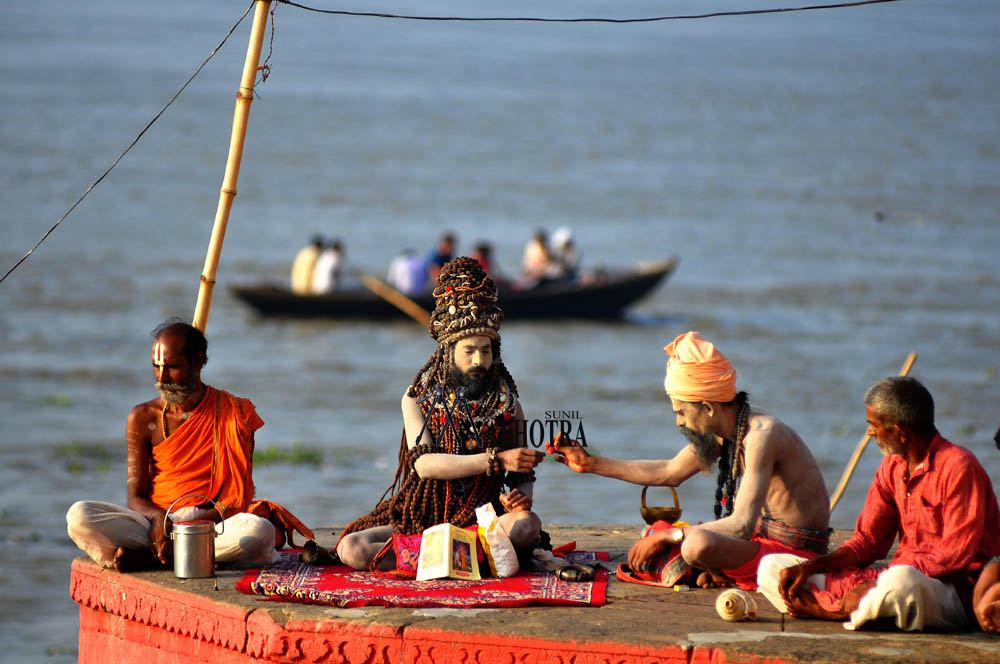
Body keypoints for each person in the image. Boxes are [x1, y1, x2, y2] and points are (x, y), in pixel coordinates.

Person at [552, 331, 830, 590]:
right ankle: (718, 569)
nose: (679, 422)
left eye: (682, 412)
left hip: (793, 555)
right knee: (655, 532)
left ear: (707, 408)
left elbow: (742, 524)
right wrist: (590, 464)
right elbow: (669, 471)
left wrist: (670, 536)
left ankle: (716, 568)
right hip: (759, 542)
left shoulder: (761, 436)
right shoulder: (731, 427)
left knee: (692, 544)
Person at [337, 257, 545, 573]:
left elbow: (522, 476)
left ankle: (441, 559)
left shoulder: (508, 405)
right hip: (421, 517)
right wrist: (496, 460)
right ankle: (467, 558)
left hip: (480, 520)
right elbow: (424, 465)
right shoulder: (417, 398)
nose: (479, 359)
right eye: (469, 351)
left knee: (527, 525)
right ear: (449, 352)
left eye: (486, 350)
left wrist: (520, 498)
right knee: (351, 549)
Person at [757, 377, 1000, 631]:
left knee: (901, 581)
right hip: (889, 580)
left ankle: (835, 611)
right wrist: (809, 567)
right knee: (773, 568)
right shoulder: (891, 467)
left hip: (952, 592)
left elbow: (953, 558)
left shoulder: (959, 467)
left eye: (873, 425)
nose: (870, 432)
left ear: (899, 432)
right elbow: (867, 543)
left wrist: (878, 582)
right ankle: (853, 608)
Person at [66, 320, 291, 572]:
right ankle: (189, 557)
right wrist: (159, 520)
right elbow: (135, 498)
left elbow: (236, 498)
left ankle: (156, 560)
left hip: (211, 525)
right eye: (156, 367)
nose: (161, 378)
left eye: (171, 368)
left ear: (198, 362)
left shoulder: (235, 413)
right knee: (79, 516)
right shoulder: (142, 417)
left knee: (259, 531)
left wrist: (191, 530)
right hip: (157, 523)